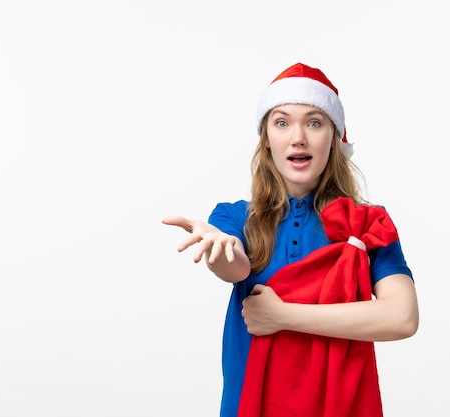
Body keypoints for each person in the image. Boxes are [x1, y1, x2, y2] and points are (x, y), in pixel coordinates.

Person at [163, 63, 419, 417]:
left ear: (335, 135)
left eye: (314, 122)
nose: (298, 137)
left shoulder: (367, 224)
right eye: (282, 122)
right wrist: (218, 245)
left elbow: (402, 317)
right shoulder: (235, 217)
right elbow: (234, 267)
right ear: (267, 138)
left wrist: (282, 316)